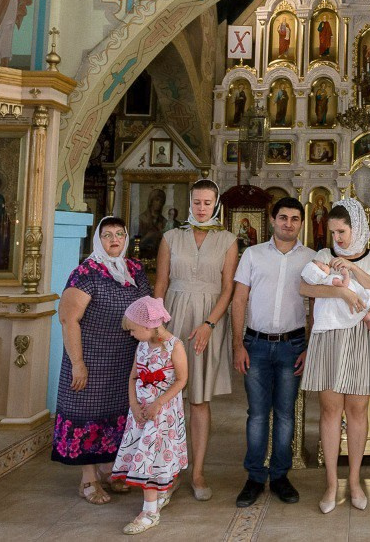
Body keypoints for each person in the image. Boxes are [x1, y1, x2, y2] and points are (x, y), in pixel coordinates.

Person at [300, 199, 370, 513]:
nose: (337, 237)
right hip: (330, 337)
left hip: (362, 338)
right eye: (333, 232)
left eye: (342, 231)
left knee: (356, 409)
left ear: (357, 227)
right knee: (329, 409)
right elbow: (304, 287)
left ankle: (353, 481)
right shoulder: (324, 255)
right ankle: (330, 483)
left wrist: (353, 268)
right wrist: (340, 291)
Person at [53, 217, 151, 505]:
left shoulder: (134, 269)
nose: (114, 240)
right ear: (98, 240)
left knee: (118, 415)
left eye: (120, 234)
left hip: (124, 358)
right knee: (88, 414)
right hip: (92, 357)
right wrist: (77, 363)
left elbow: (146, 309)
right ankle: (88, 479)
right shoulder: (86, 272)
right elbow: (68, 318)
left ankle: (110, 471)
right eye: (107, 235)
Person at [155, 180, 238, 501]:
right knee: (169, 398)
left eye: (207, 202)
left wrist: (209, 324)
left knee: (199, 400)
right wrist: (158, 328)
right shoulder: (170, 238)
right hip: (172, 319)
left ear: (216, 205)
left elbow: (228, 288)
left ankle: (198, 471)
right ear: (189, 202)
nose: (201, 207)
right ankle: (168, 469)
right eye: (197, 202)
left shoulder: (229, 241)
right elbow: (160, 284)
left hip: (208, 321)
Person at [230, 198, 315, 509]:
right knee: (256, 415)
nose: (288, 223)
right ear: (272, 220)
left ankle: (279, 475)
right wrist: (238, 344)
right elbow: (239, 301)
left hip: (293, 346)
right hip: (256, 344)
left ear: (302, 223)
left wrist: (309, 346)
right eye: (283, 217)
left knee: (284, 414)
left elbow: (315, 307)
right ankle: (254, 477)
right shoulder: (252, 255)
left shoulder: (311, 259)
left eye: (294, 218)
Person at [109, 296, 189, 535]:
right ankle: (157, 497)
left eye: (133, 330)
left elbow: (182, 379)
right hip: (141, 413)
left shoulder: (175, 346)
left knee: (151, 459)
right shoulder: (141, 346)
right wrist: (133, 404)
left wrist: (158, 404)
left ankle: (150, 511)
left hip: (162, 414)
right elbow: (134, 376)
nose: (131, 334)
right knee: (144, 455)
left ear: (148, 326)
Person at [301, 259, 370, 340]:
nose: (326, 264)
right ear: (320, 272)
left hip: (349, 304)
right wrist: (346, 275)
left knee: (368, 318)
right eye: (323, 265)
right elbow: (344, 287)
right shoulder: (332, 279)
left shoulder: (326, 281)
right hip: (349, 304)